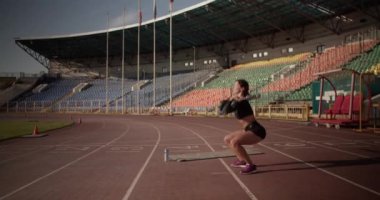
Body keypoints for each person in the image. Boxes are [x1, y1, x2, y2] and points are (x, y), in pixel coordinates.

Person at [219, 79, 266, 174]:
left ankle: (250, 165)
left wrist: (233, 99)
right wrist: (230, 99)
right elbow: (221, 111)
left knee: (234, 142)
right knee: (227, 139)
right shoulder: (237, 100)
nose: (233, 87)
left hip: (256, 130)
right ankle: (242, 160)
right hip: (248, 129)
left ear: (242, 88)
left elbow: (225, 111)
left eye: (235, 86)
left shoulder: (241, 100)